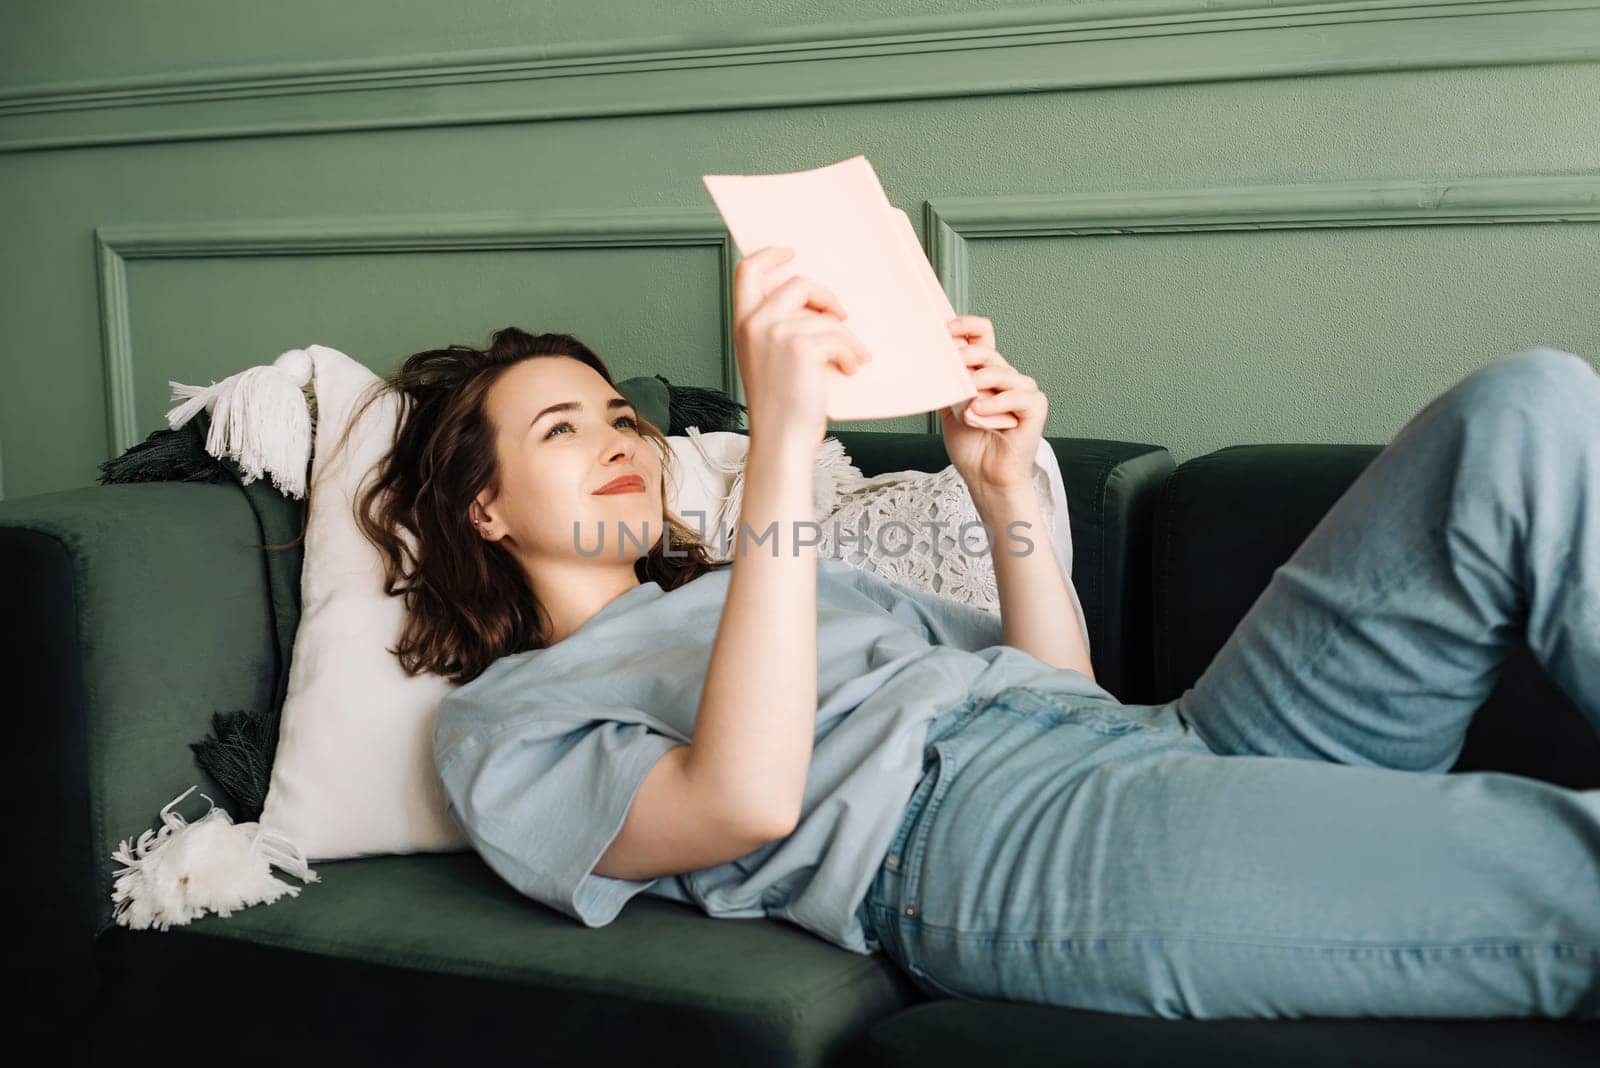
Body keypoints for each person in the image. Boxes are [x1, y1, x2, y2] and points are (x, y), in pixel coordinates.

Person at [351, 245, 1600, 1021]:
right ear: (483, 505)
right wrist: (783, 446)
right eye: (562, 431)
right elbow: (742, 801)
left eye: (623, 418)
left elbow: (1062, 695)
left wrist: (1004, 490)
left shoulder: (774, 582)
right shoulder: (503, 721)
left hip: (1151, 746)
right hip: (984, 848)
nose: (620, 442)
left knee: (1527, 408)